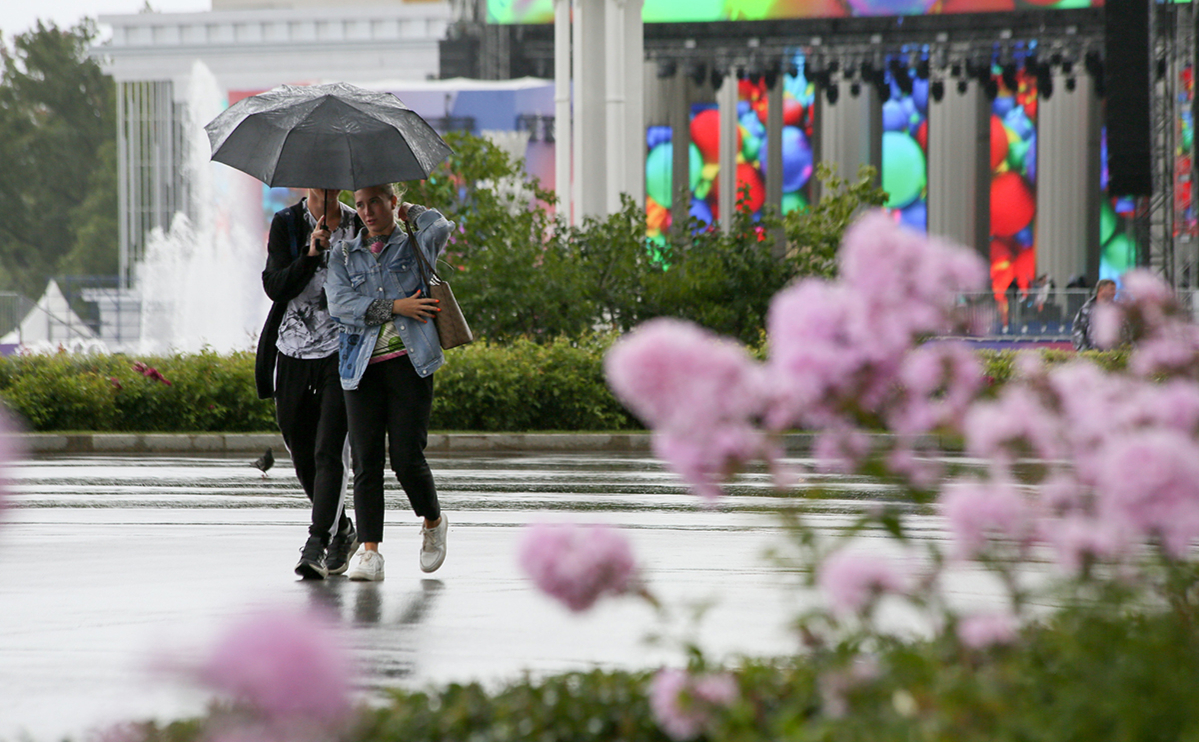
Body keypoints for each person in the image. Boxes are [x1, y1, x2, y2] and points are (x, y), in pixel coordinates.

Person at [323, 183, 453, 581]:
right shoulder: (343, 254)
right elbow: (341, 307)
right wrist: (397, 306)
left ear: (392, 202)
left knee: (407, 459)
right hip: (360, 370)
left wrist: (412, 211)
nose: (367, 211)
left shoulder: (413, 246)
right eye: (360, 205)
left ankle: (433, 522)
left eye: (376, 202)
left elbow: (441, 227)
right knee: (366, 463)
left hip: (409, 366)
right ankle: (371, 552)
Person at [257, 188, 363, 580]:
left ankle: (317, 541)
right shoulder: (286, 223)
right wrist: (310, 256)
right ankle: (342, 527)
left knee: (328, 451)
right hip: (293, 352)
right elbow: (275, 286)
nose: (325, 186)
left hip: (343, 351)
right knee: (300, 449)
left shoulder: (357, 223)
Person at [1071, 278, 1117, 351]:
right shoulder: (1086, 310)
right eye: (1111, 289)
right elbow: (1078, 330)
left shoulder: (1118, 311)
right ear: (1101, 289)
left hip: (1113, 355)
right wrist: (1084, 350)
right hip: (1091, 355)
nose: (1114, 293)